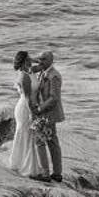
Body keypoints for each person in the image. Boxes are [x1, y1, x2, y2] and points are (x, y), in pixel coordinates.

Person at [7, 50, 51, 179]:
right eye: (28, 59)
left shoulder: (30, 70)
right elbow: (27, 98)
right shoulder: (24, 76)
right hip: (25, 108)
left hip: (29, 106)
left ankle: (26, 164)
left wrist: (36, 59)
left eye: (29, 58)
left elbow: (42, 66)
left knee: (29, 135)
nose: (30, 60)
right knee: (27, 135)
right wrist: (33, 114)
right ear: (23, 61)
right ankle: (27, 168)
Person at [32, 50, 65, 182]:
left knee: (41, 141)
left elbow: (54, 98)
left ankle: (46, 174)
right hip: (45, 113)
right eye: (40, 58)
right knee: (52, 142)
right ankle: (57, 173)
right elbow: (27, 69)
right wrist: (36, 61)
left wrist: (40, 108)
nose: (41, 61)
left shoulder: (53, 76)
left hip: (48, 113)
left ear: (51, 60)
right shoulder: (42, 72)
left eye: (44, 59)